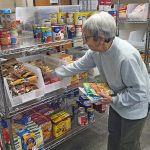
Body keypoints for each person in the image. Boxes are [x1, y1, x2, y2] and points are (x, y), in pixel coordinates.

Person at [54, 11, 150, 150]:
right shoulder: (96, 51)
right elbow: (79, 64)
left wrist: (114, 99)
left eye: (86, 38)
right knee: (114, 136)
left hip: (134, 107)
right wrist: (55, 73)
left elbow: (140, 92)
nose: (84, 41)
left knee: (128, 144)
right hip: (116, 101)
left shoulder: (126, 57)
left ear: (100, 38)